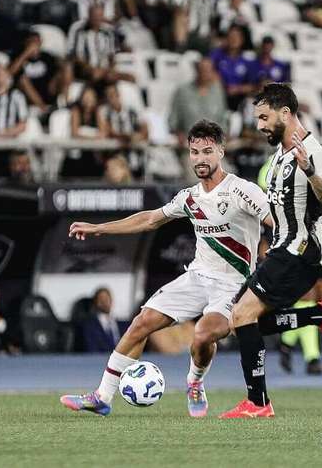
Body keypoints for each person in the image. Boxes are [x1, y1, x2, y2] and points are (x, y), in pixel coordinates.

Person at [60, 120, 272, 418]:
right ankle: (102, 396)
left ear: (221, 152)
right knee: (141, 322)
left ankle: (195, 383)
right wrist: (99, 228)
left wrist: (281, 251)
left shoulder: (243, 191)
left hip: (233, 285)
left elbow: (275, 220)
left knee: (202, 334)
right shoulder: (189, 197)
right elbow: (150, 219)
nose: (200, 158)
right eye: (195, 152)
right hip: (197, 277)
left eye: (207, 151)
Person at [219, 83, 322, 419]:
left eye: (264, 117)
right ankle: (319, 315)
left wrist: (310, 171)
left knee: (242, 316)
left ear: (285, 113)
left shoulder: (312, 151)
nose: (259, 125)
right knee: (242, 322)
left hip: (300, 252)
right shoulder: (277, 154)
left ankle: (258, 403)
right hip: (281, 249)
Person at [167, 57, 229, 145]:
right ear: (196, 71)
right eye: (202, 70)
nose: (205, 73)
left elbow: (223, 119)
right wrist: (178, 133)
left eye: (208, 70)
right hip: (189, 144)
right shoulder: (182, 91)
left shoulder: (218, 91)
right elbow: (173, 119)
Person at [9, 32, 60, 114]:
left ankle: (64, 106)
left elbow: (57, 73)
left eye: (37, 42)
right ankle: (45, 110)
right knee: (23, 80)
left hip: (46, 91)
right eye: (31, 42)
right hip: (27, 96)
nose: (34, 45)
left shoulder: (47, 57)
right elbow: (9, 74)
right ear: (26, 43)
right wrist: (26, 54)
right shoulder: (18, 57)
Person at [210, 25, 255, 111]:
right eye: (231, 36)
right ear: (226, 38)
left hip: (240, 99)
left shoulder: (247, 59)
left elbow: (254, 85)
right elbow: (206, 68)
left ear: (242, 40)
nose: (234, 39)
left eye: (237, 37)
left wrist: (237, 89)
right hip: (218, 95)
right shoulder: (217, 54)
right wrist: (216, 78)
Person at [81, 287, 129, 353]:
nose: (104, 302)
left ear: (111, 301)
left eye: (107, 299)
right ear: (96, 303)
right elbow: (91, 349)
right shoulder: (90, 326)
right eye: (101, 299)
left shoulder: (123, 325)